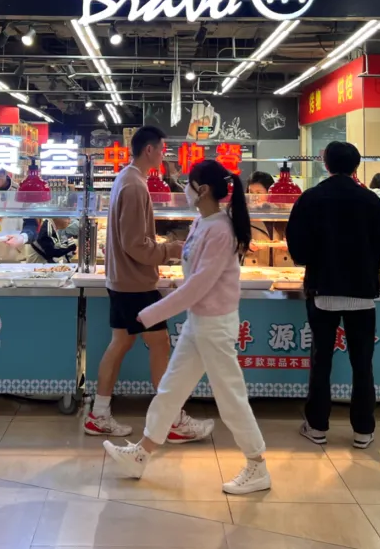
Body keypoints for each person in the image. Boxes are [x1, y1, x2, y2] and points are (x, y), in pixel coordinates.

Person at [103, 160, 270, 494]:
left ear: (202, 190)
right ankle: (142, 453)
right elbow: (193, 278)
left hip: (216, 326)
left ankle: (257, 464)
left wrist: (149, 313)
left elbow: (199, 286)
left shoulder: (220, 230)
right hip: (198, 322)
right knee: (171, 388)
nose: (185, 189)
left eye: (189, 184)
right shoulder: (201, 222)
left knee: (230, 396)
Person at [86, 126, 211, 441]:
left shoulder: (127, 179)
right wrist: (172, 249)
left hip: (123, 279)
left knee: (121, 342)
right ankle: (171, 420)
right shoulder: (134, 186)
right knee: (159, 343)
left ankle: (99, 414)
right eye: (162, 149)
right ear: (150, 150)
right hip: (136, 283)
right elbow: (135, 244)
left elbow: (131, 241)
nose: (165, 156)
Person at [287, 141, 380, 449]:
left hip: (323, 289)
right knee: (363, 363)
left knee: (321, 360)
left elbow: (297, 246)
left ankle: (317, 426)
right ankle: (363, 430)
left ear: (326, 164)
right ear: (356, 166)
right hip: (362, 292)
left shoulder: (311, 198)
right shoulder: (371, 200)